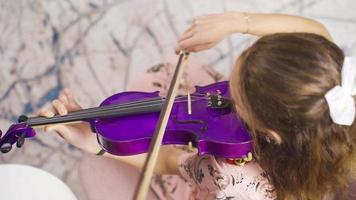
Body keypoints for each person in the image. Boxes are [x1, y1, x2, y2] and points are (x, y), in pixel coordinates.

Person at [39, 12, 356, 200]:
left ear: (270, 133)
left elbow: (166, 161)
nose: (227, 91)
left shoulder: (227, 174)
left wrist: (94, 143)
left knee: (95, 170)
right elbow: (315, 31)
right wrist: (235, 22)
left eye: (238, 95)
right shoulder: (333, 80)